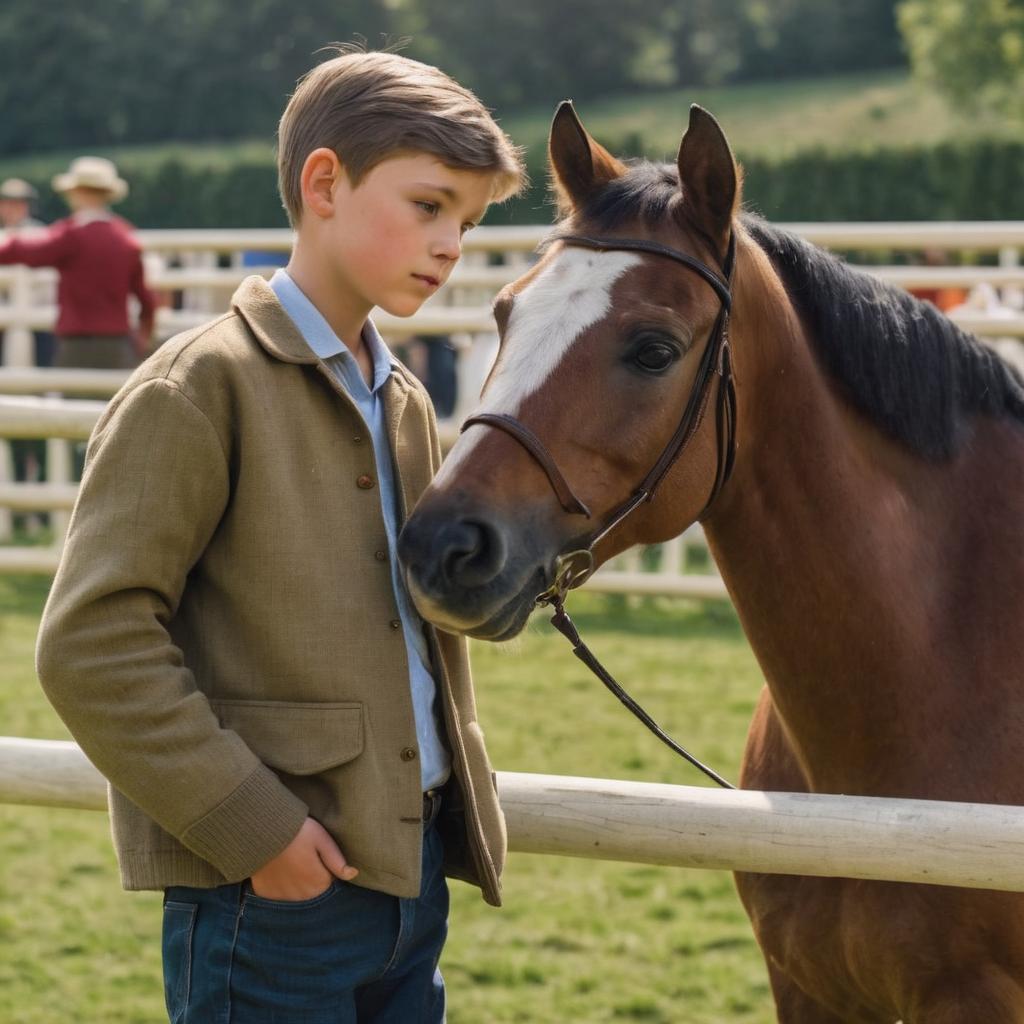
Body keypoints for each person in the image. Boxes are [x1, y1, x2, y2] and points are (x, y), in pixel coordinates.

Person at [35, 47, 525, 1023]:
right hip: (269, 898)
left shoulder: (407, 400)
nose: (450, 245)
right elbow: (92, 643)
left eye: (465, 223)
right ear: (323, 183)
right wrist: (255, 830)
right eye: (428, 205)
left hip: (411, 879)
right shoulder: (198, 387)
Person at [0, 157, 155, 369]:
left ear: (76, 192)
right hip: (118, 344)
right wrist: (143, 335)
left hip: (77, 344)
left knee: (71, 398)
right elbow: (146, 300)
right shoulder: (126, 237)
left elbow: (28, 252)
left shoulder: (71, 234)